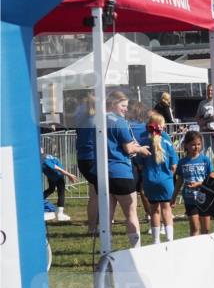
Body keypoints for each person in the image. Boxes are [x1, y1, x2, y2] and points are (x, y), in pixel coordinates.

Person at [106, 91, 150, 249]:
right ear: (113, 104)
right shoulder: (120, 122)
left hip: (104, 172)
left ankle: (106, 248)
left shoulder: (99, 120)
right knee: (131, 212)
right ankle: (136, 249)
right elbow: (128, 148)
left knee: (107, 215)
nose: (126, 109)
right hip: (120, 171)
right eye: (123, 105)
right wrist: (141, 149)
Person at [136, 112, 178, 243]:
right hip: (166, 180)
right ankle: (170, 239)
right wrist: (170, 175)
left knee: (154, 211)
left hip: (150, 180)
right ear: (162, 126)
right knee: (167, 209)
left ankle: (156, 240)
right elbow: (174, 163)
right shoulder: (167, 139)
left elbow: (139, 164)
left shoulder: (143, 141)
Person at [176, 130, 214, 237]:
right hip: (189, 199)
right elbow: (179, 180)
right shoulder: (182, 162)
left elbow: (211, 178)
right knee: (194, 228)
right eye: (193, 144)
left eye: (198, 144)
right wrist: (173, 197)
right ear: (186, 145)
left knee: (206, 229)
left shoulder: (205, 160)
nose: (196, 147)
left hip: (204, 198)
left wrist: (199, 184)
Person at [73, 94, 100, 234]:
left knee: (94, 194)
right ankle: (97, 226)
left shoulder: (80, 118)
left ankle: (92, 227)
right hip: (93, 157)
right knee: (99, 194)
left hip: (82, 157)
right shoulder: (96, 120)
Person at [41, 147, 76, 222]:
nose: (42, 148)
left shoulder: (44, 157)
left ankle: (39, 200)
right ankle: (60, 214)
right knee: (61, 193)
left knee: (51, 189)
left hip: (53, 176)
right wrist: (69, 174)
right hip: (57, 176)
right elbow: (56, 167)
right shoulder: (44, 159)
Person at [197, 84, 214, 151]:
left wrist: (205, 121)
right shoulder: (202, 103)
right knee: (202, 151)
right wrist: (200, 122)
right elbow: (197, 116)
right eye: (208, 90)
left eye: (211, 90)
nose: (210, 92)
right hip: (204, 132)